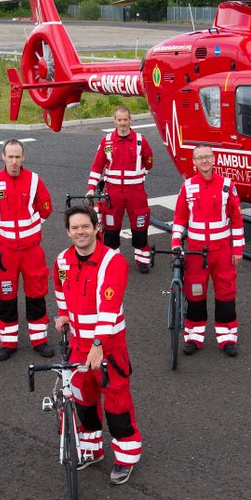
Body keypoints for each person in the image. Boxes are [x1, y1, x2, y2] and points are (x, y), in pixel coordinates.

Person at [53, 206, 142, 485]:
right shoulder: (62, 261)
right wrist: (63, 314)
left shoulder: (112, 262)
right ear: (68, 232)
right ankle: (92, 451)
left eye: (85, 226)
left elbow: (109, 307)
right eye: (75, 228)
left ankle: (126, 459)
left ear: (96, 228)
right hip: (78, 345)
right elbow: (60, 287)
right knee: (84, 402)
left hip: (108, 347)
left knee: (116, 405)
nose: (80, 232)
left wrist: (97, 344)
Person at [0, 139, 55, 360]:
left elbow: (46, 208)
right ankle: (8, 343)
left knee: (36, 293)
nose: (14, 161)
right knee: (6, 295)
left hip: (31, 251)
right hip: (5, 252)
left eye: (17, 156)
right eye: (10, 156)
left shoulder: (35, 180)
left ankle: (39, 340)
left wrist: (33, 226)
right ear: (3, 157)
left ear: (23, 157)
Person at [171, 144, 245, 357]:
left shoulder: (227, 185)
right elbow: (180, 218)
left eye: (207, 157)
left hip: (222, 251)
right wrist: (176, 242)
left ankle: (227, 338)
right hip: (195, 252)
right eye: (199, 158)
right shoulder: (188, 186)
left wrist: (238, 248)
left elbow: (237, 218)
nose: (204, 161)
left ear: (214, 159)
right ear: (193, 162)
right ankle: (194, 337)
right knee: (195, 294)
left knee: (226, 293)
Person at [86, 106, 154, 273]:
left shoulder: (140, 140)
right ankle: (112, 260)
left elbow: (149, 162)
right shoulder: (106, 141)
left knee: (140, 227)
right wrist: (91, 188)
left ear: (130, 120)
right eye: (119, 120)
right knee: (111, 229)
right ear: (114, 121)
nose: (122, 123)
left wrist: (137, 178)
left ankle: (142, 260)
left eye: (125, 120)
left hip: (136, 194)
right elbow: (97, 167)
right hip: (113, 195)